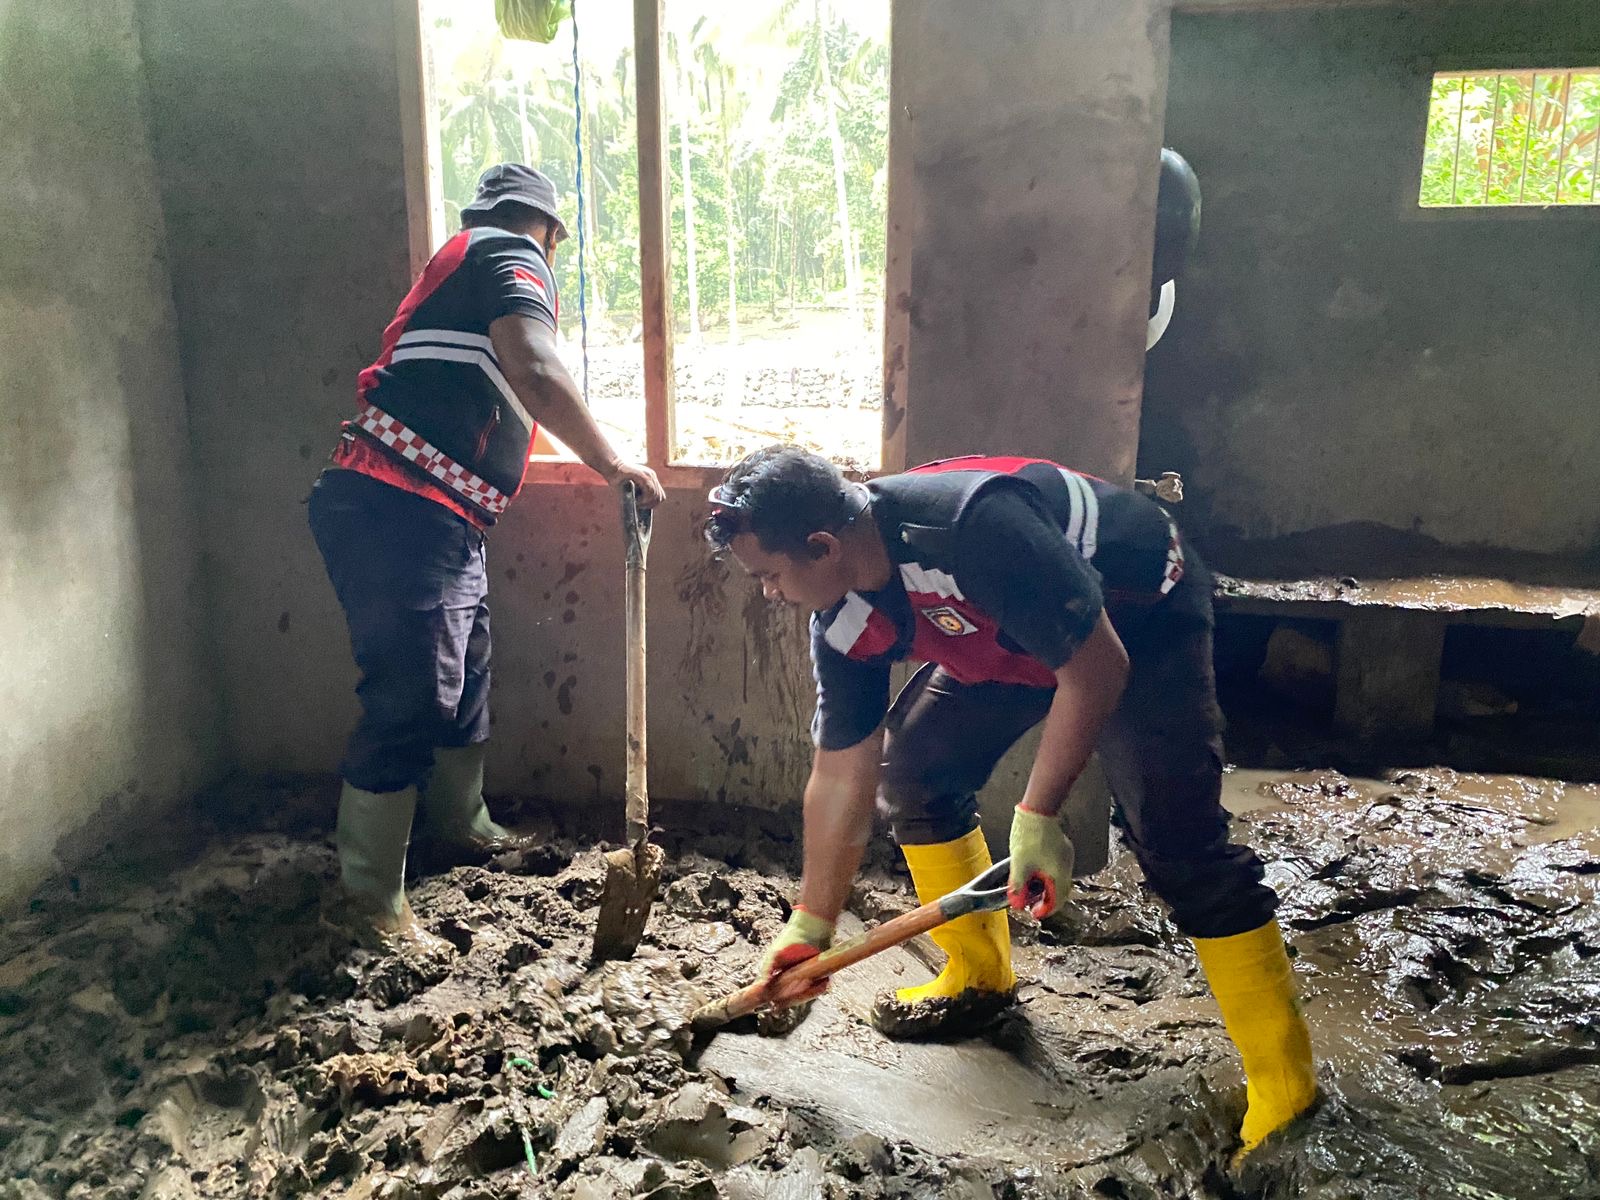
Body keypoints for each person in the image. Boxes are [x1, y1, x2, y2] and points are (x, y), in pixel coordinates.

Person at [702, 447, 1316, 1159]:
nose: (769, 594)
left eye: (770, 575)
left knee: (1177, 841)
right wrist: (812, 922)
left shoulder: (971, 530)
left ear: (822, 546)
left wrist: (1037, 816)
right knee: (918, 768)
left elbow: (1097, 667)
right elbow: (841, 773)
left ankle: (1284, 1082)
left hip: (1137, 618)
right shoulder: (842, 619)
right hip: (1012, 635)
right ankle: (978, 975)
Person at [309, 163, 664, 951]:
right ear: (550, 232)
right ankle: (371, 898)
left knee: (463, 676)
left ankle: (461, 821)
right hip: (398, 509)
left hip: (435, 516)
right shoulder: (508, 251)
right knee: (410, 696)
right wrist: (612, 464)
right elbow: (535, 368)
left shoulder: (468, 261)